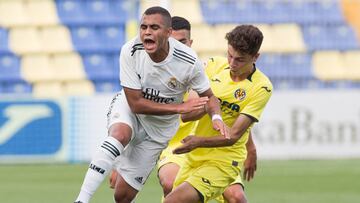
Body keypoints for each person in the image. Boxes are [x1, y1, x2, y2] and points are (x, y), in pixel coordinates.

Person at [74, 7, 226, 203]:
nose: (147, 32)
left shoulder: (189, 61)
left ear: (168, 33)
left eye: (154, 27)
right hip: (131, 109)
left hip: (159, 131)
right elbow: (136, 104)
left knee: (122, 196)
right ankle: (81, 200)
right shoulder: (130, 50)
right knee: (119, 135)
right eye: (143, 27)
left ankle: (120, 162)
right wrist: (180, 108)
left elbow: (210, 97)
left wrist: (216, 117)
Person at [110, 16, 258, 203]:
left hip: (211, 148)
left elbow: (232, 112)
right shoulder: (151, 74)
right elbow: (133, 117)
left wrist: (250, 147)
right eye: (173, 42)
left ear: (191, 42)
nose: (179, 46)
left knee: (236, 197)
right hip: (175, 145)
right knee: (171, 183)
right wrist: (121, 163)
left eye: (183, 42)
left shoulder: (204, 70)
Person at [163, 24, 273, 203]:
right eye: (229, 55)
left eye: (240, 59)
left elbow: (235, 135)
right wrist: (210, 107)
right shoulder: (213, 65)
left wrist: (198, 140)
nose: (232, 63)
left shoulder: (262, 87)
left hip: (223, 161)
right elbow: (186, 114)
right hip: (194, 157)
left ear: (255, 57)